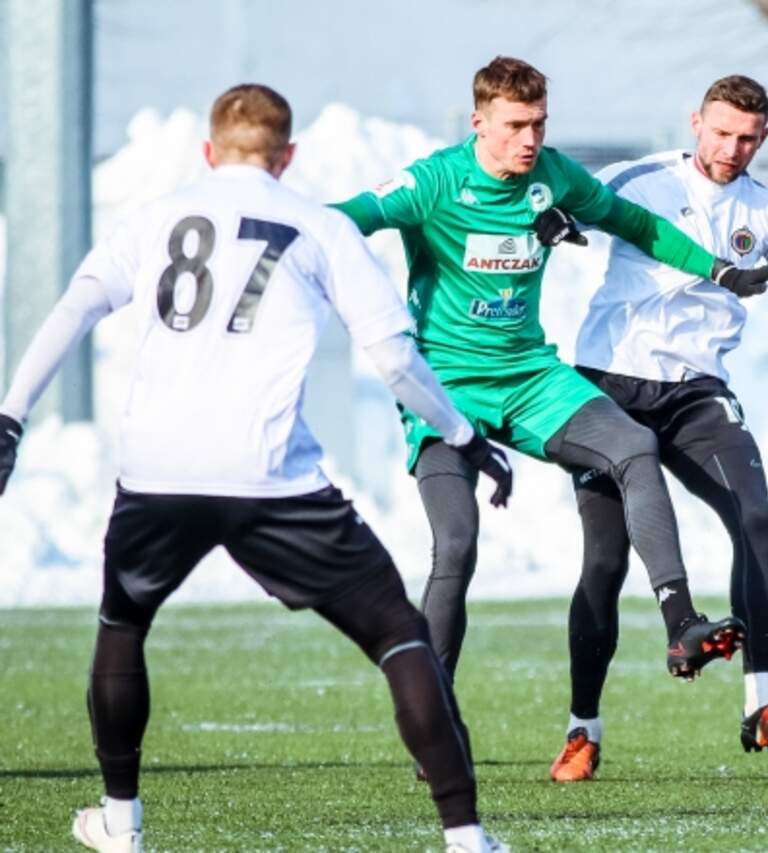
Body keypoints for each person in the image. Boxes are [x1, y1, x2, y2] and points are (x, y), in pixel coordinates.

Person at [0, 84, 511, 853]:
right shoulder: (321, 226)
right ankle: (466, 836)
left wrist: (10, 416)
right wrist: (463, 435)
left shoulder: (155, 216)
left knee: (123, 622)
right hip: (272, 475)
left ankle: (121, 821)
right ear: (288, 155)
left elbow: (75, 307)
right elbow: (395, 359)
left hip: (158, 472)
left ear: (209, 151)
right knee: (399, 634)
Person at [332, 56, 768, 683]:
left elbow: (635, 223)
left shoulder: (553, 177)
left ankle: (682, 624)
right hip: (445, 387)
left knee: (634, 446)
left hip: (530, 375)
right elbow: (341, 221)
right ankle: (432, 709)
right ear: (479, 122)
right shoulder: (433, 181)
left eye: (539, 124)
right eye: (514, 125)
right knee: (457, 545)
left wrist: (719, 270)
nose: (529, 139)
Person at [543, 75, 768, 782]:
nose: (731, 148)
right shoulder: (641, 180)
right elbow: (573, 208)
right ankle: (581, 730)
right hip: (609, 388)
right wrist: (556, 223)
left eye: (746, 138)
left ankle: (761, 705)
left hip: (696, 394)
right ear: (696, 123)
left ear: (763, 138)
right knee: (605, 561)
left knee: (755, 516)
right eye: (720, 132)